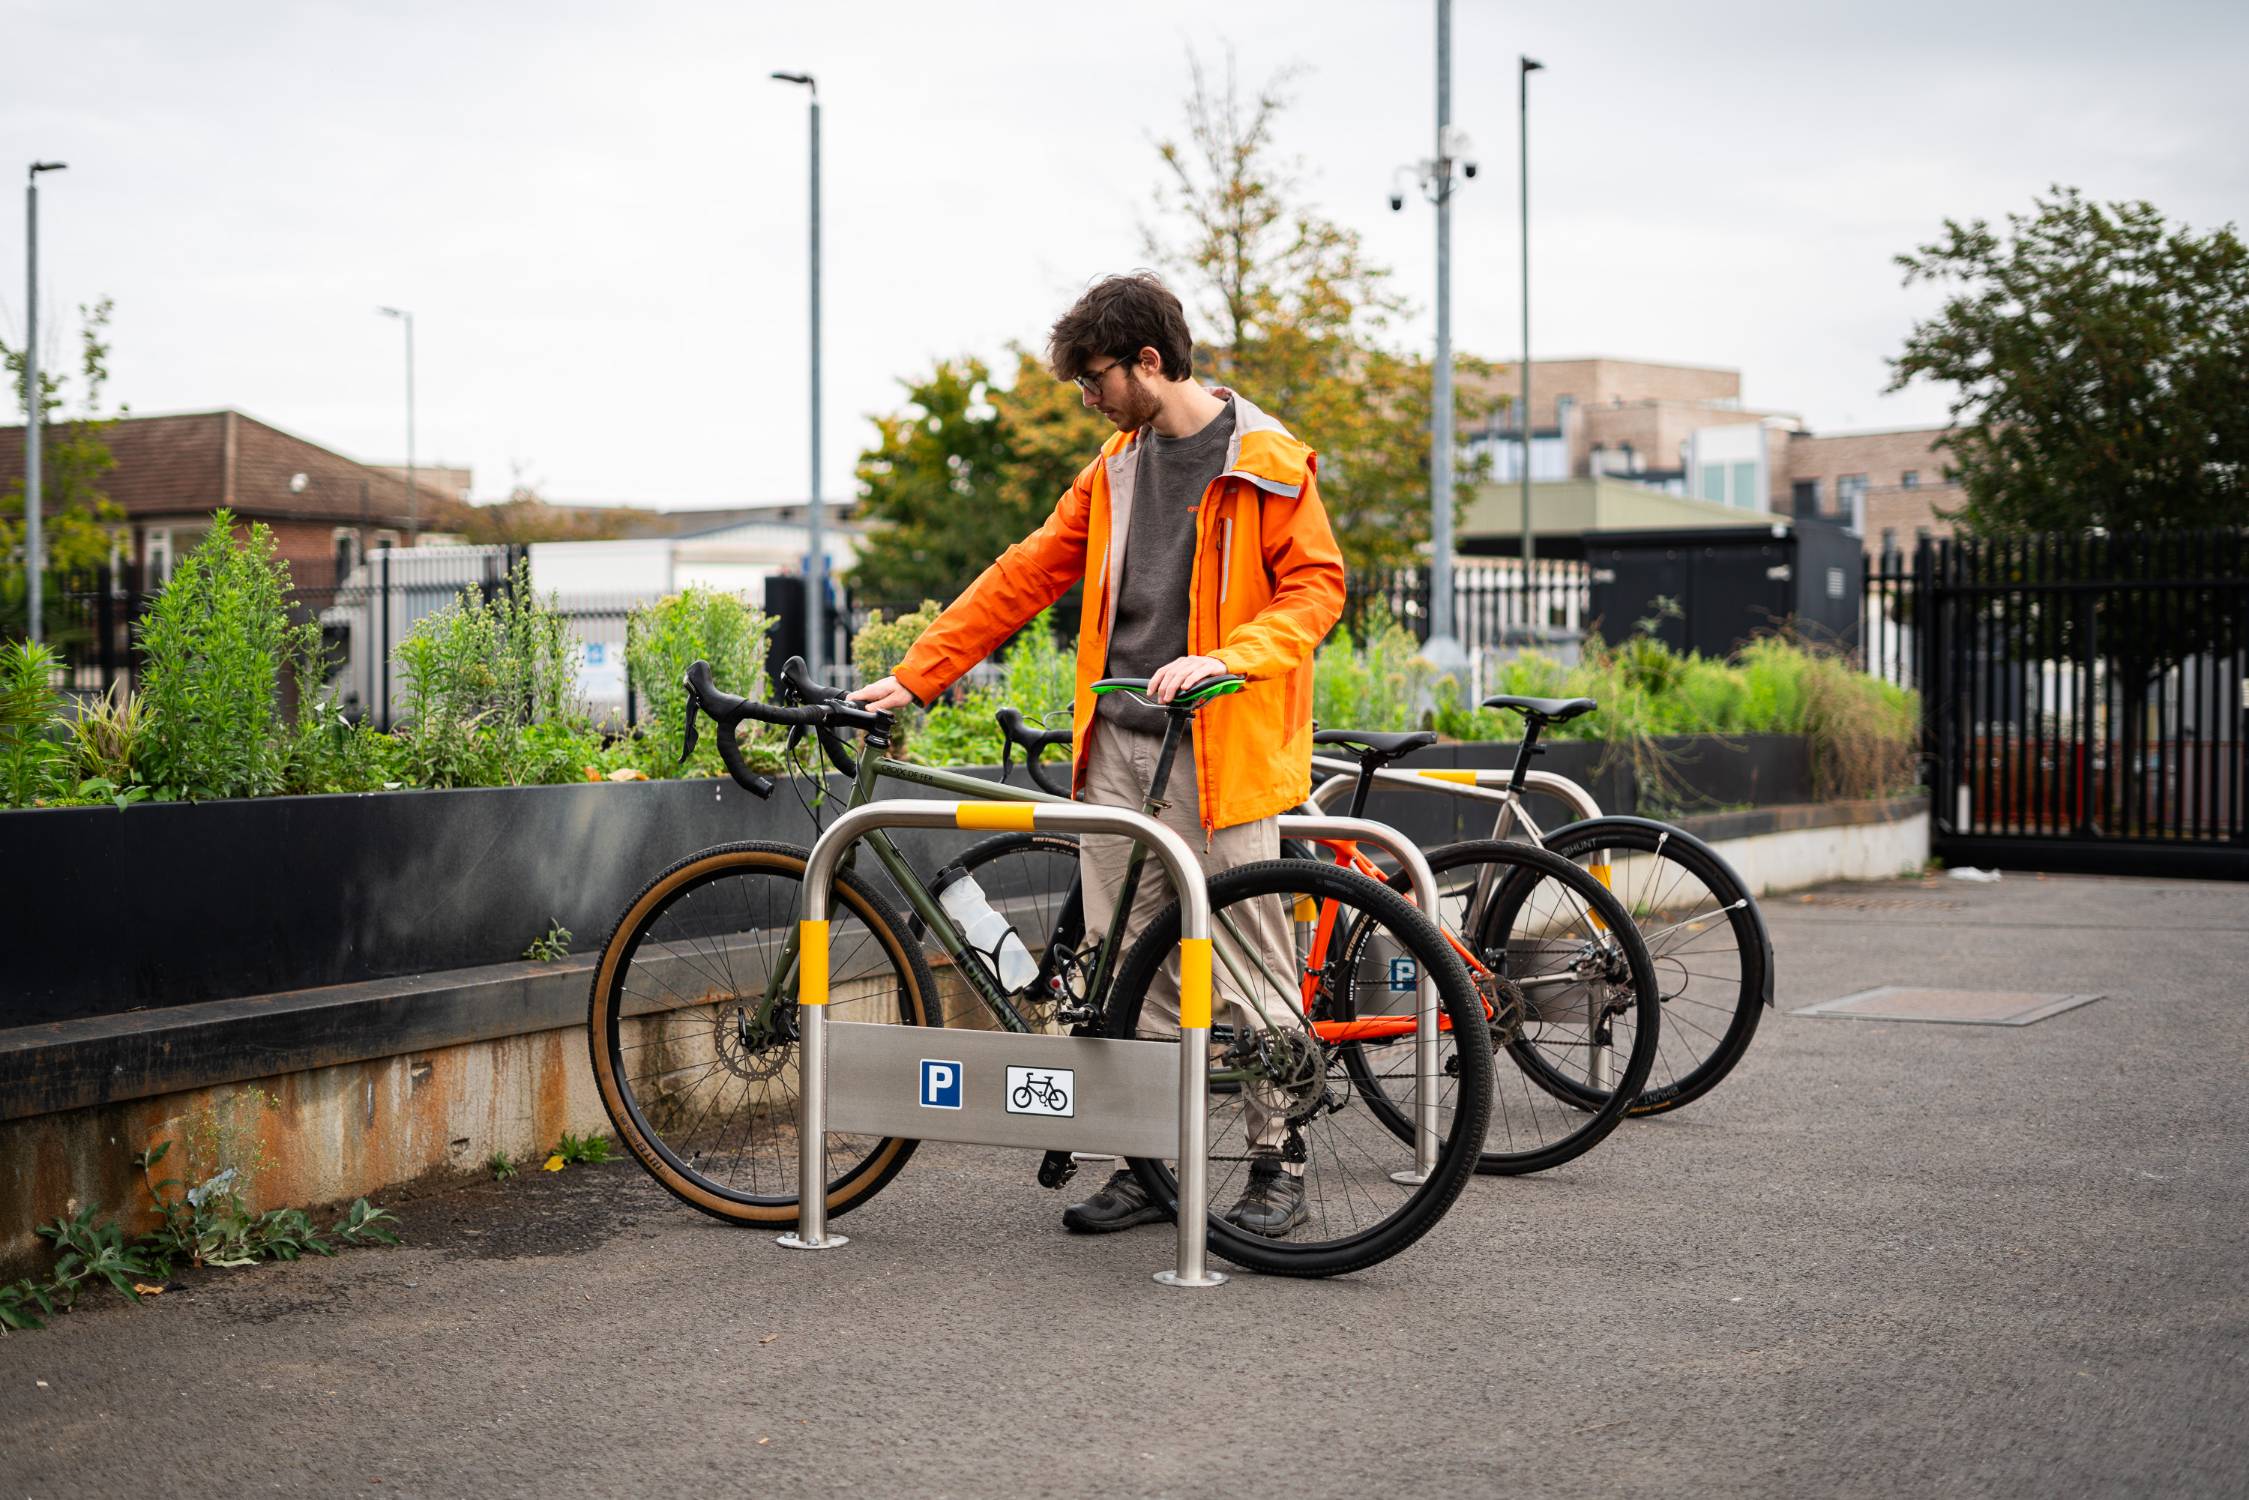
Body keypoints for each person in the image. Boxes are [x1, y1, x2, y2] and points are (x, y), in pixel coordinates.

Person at [850, 272, 1345, 1235]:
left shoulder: (1268, 458)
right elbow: (1026, 572)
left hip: (1224, 748)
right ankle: (1144, 1161)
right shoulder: (1116, 467)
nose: (1087, 399)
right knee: (1132, 970)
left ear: (1147, 362)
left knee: (1246, 961)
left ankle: (1276, 1155)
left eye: (1094, 379)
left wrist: (1228, 658)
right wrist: (919, 673)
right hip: (1120, 749)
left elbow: (1315, 593)